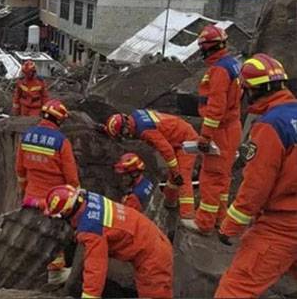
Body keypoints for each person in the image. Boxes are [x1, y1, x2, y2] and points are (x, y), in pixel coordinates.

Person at [215, 54, 297, 297]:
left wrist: (230, 226)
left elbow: (255, 187)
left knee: (235, 289)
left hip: (282, 224)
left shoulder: (271, 125)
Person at [45, 185, 173, 298]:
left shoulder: (91, 229)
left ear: (68, 213)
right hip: (151, 240)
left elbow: (95, 270)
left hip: (152, 255)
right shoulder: (89, 199)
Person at [181, 25, 242, 234]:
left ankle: (204, 222)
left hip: (221, 130)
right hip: (232, 128)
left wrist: (206, 136)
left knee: (211, 176)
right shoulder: (231, 64)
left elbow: (216, 107)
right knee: (223, 177)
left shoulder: (219, 71)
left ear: (207, 48)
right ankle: (219, 219)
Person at [15, 99, 80, 283]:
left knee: (32, 233)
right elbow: (72, 177)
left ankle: (30, 270)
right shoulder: (61, 142)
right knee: (54, 236)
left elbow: (20, 170)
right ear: (59, 120)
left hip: (30, 197)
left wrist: (24, 191)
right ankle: (55, 274)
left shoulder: (27, 136)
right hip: (54, 200)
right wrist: (76, 197)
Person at [105, 109, 196, 219]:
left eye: (124, 133)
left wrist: (176, 172)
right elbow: (119, 125)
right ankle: (169, 203)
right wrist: (106, 130)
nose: (127, 136)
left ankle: (187, 216)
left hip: (185, 140)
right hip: (178, 133)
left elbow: (166, 150)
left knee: (182, 177)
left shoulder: (145, 130)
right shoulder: (135, 117)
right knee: (173, 176)